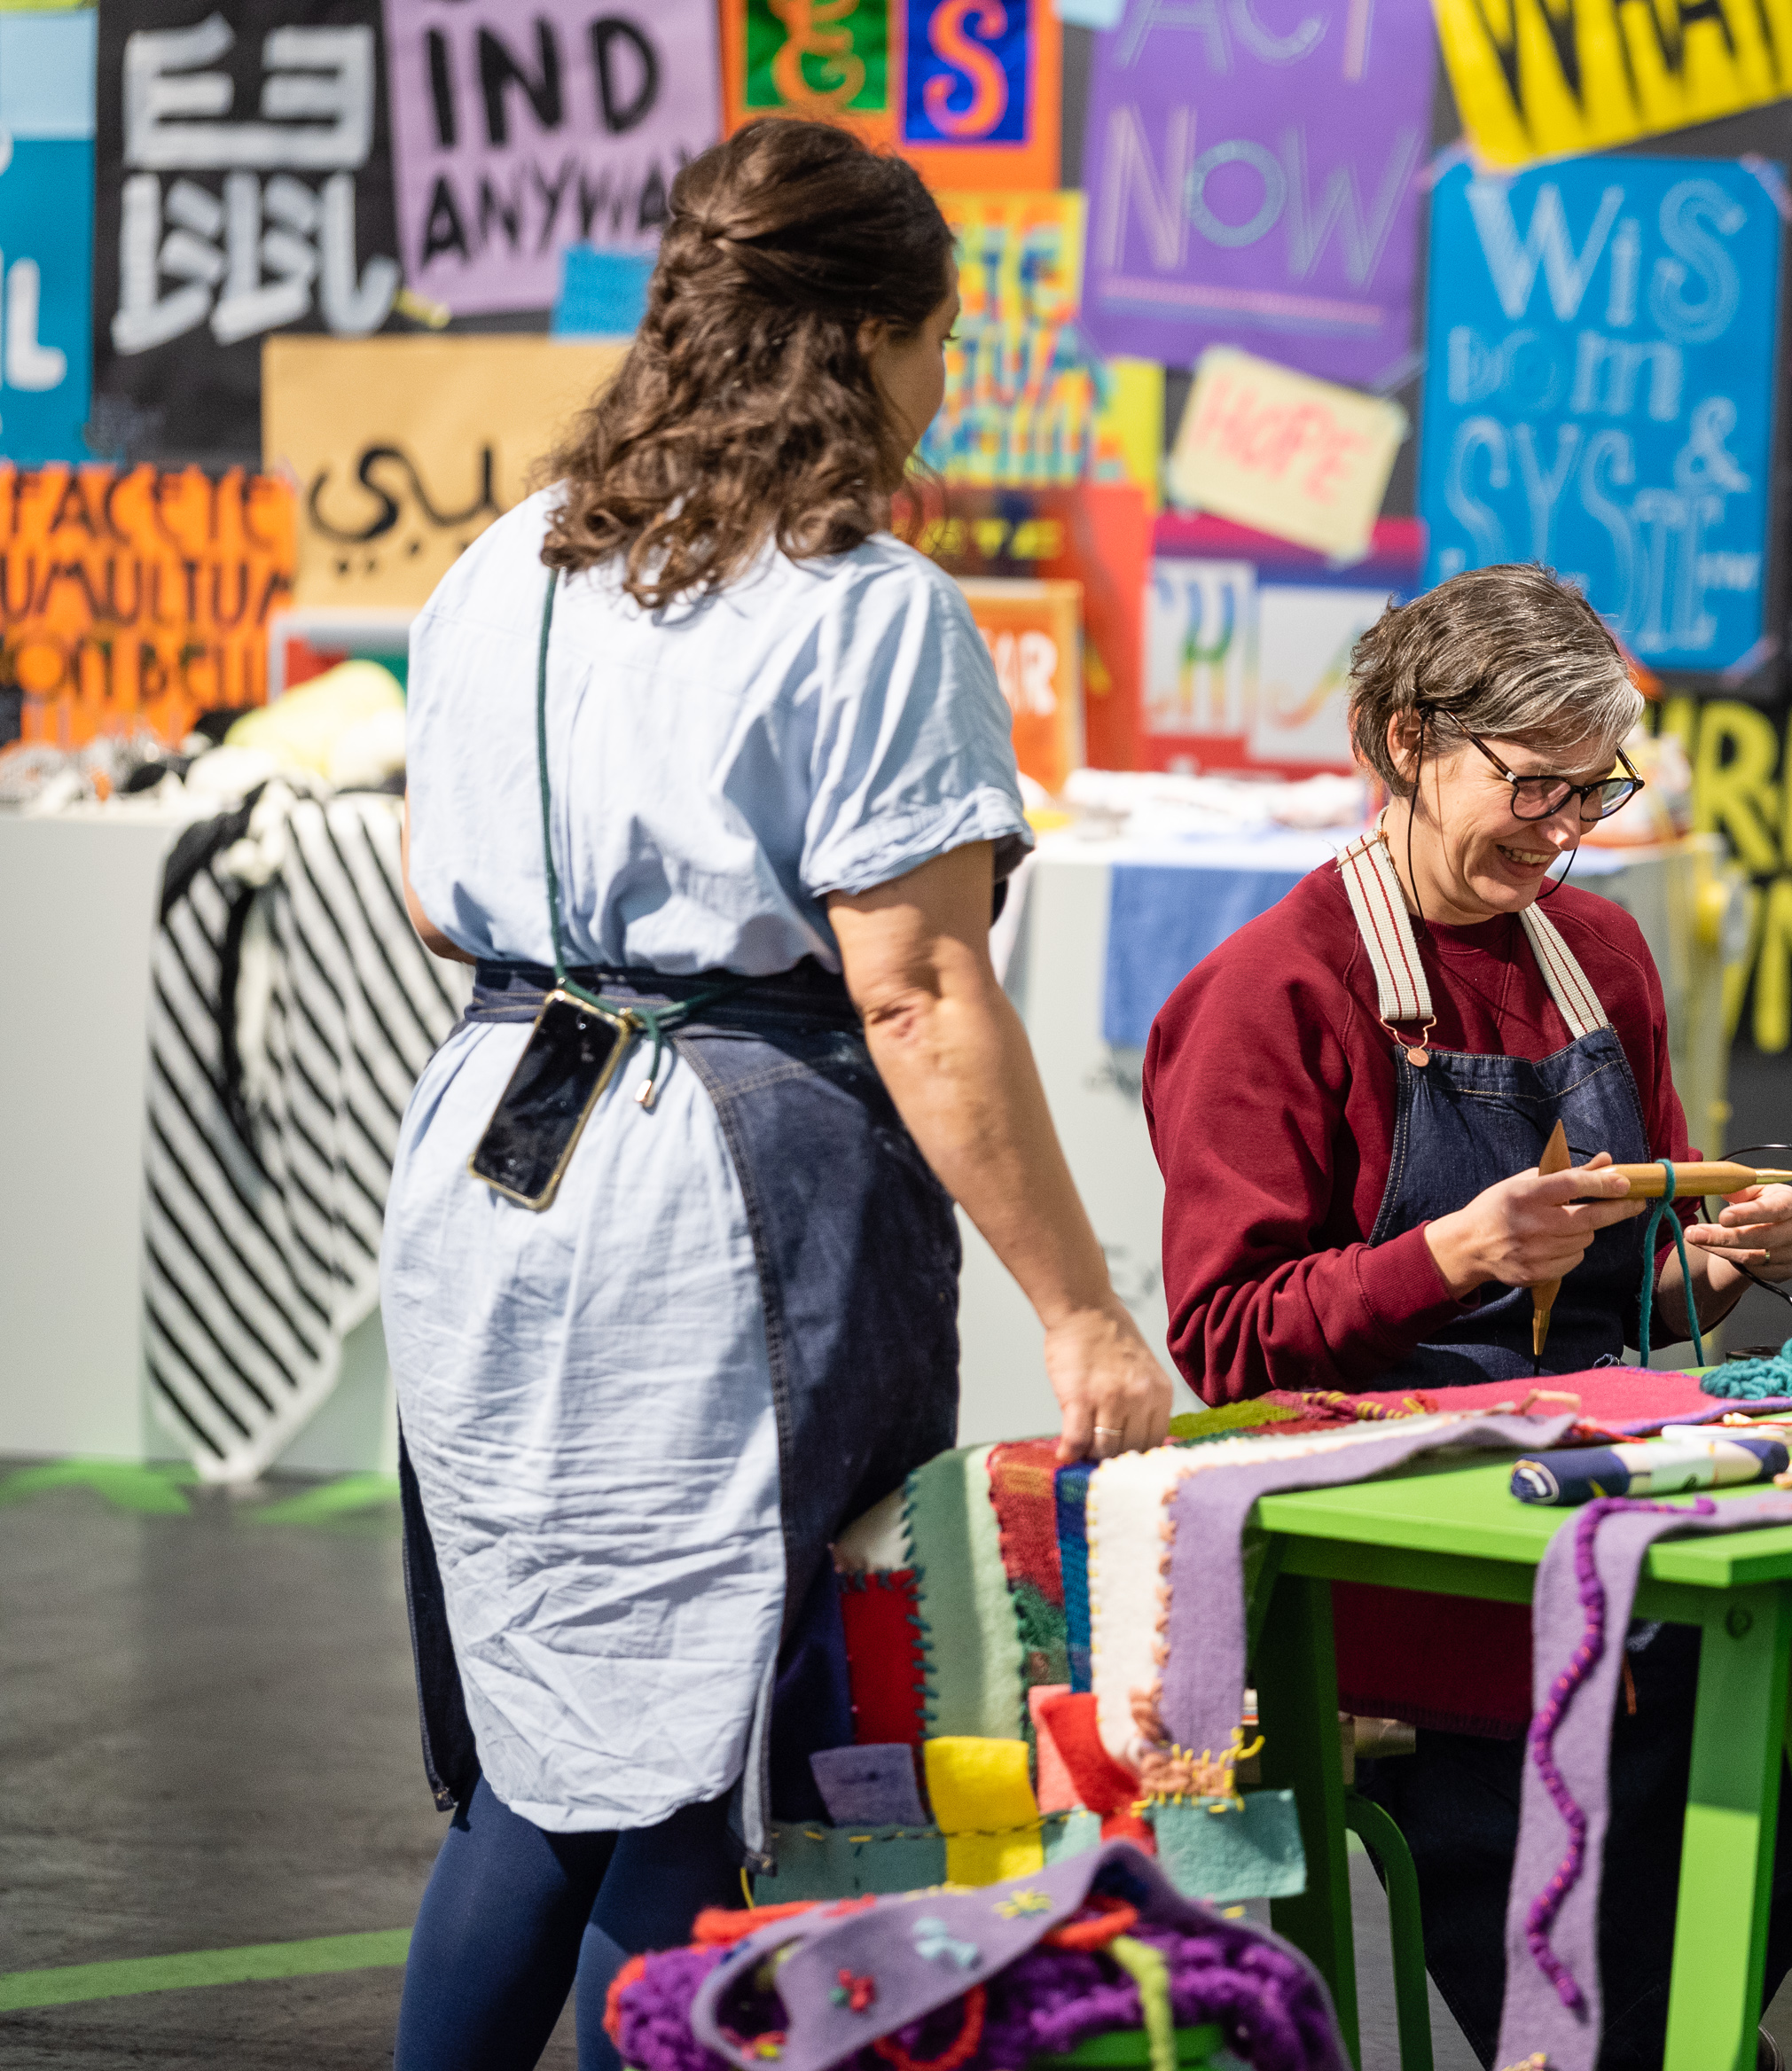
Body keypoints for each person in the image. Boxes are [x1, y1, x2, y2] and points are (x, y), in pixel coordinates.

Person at [381, 121, 1172, 2071]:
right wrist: (1082, 1304)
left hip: (489, 1151)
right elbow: (913, 988)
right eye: (938, 340)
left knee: (544, 1743)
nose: (942, 385)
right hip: (711, 1193)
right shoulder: (864, 604)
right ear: (871, 339)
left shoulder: (503, 564)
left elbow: (427, 893)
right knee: (703, 1757)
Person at [1139, 564, 1792, 2065]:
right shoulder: (1272, 994)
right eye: (1534, 789)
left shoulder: (1599, 958)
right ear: (1408, 741)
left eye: (1592, 797)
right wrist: (1449, 1253)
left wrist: (1721, 1258)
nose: (1563, 834)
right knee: (1607, 1999)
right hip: (1416, 1563)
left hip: (1610, 1505)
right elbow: (1223, 1339)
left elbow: (1627, 1289)